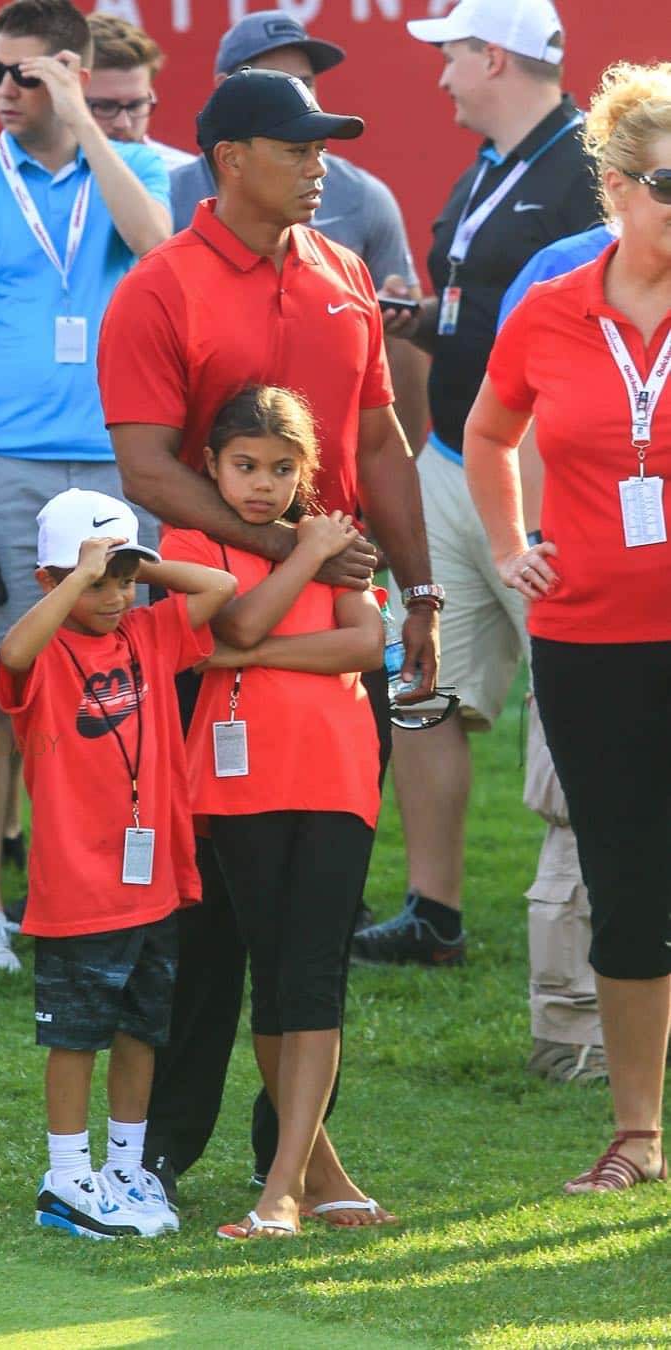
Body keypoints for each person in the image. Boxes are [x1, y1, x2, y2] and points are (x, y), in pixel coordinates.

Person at [98, 68, 441, 1211]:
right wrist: (303, 539)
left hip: (338, 623)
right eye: (299, 146)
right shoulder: (159, 289)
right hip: (210, 620)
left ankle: (294, 1161)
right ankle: (172, 1150)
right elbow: (145, 466)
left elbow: (382, 443)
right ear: (230, 158)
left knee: (315, 914)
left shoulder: (345, 271)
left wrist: (423, 589)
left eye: (326, 144)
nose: (322, 161)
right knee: (207, 921)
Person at [0, 0, 172, 970]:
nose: (2, 93)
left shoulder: (142, 166)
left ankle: (100, 889)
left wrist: (85, 119)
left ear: (66, 71)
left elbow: (157, 251)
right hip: (5, 466)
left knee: (123, 683)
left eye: (22, 75)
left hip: (123, 459)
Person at [354, 0, 601, 968]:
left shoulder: (590, 171)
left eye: (451, 56)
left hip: (547, 478)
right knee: (423, 686)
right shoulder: (488, 172)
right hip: (453, 460)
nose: (441, 76)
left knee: (582, 692)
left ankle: (595, 905)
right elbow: (483, 307)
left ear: (493, 57)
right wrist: (417, 323)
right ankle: (434, 910)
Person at [464, 60, 671, 1192]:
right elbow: (489, 434)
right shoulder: (549, 306)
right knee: (630, 885)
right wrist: (509, 545)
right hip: (590, 641)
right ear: (615, 184)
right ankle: (638, 1135)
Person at [161, 386, 394, 1238]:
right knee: (274, 977)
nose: (262, 484)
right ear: (213, 466)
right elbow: (247, 609)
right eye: (245, 466)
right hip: (240, 783)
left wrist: (241, 653)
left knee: (314, 977)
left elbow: (367, 645)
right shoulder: (189, 539)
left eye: (283, 469)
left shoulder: (341, 540)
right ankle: (314, 1178)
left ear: (309, 472)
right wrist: (303, 560)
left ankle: (284, 1191)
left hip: (338, 774)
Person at [0, 487, 234, 1237]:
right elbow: (11, 654)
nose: (113, 595)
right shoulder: (43, 649)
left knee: (141, 1030)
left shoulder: (148, 632)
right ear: (52, 580)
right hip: (78, 888)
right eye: (97, 580)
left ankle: (125, 1170)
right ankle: (67, 1178)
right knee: (75, 1037)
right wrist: (77, 576)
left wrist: (139, 566)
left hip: (153, 883)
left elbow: (220, 588)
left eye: (122, 580)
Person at [170, 8, 428, 456]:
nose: (294, 93)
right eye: (270, 78)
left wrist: (394, 469)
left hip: (330, 475)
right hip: (207, 469)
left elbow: (397, 364)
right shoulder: (168, 195)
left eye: (305, 81)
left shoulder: (365, 198)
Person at [497, 224, 614, 1084]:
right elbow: (511, 425)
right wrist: (537, 548)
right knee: (580, 814)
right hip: (589, 601)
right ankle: (570, 1032)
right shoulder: (559, 277)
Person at [86, 12, 195, 172]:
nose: (123, 124)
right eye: (105, 107)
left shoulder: (187, 180)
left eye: (136, 105)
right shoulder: (37, 182)